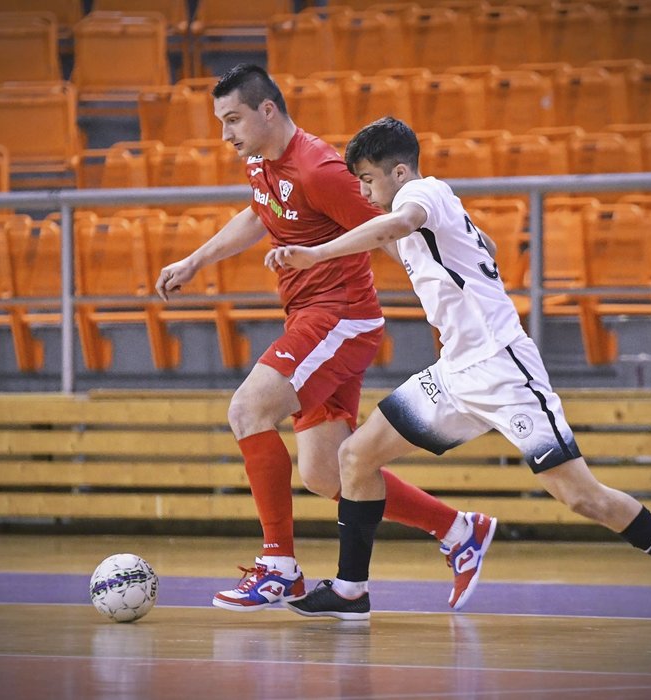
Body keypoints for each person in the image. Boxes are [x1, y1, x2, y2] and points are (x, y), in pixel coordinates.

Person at [267, 117, 651, 623]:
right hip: (454, 373)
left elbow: (399, 224)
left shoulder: (421, 193)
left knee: (582, 497)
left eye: (369, 180)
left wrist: (318, 253)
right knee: (355, 457)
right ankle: (352, 590)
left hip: (505, 371)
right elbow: (478, 246)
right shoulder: (429, 210)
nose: (364, 192)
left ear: (399, 173)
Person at [154, 66, 495, 612]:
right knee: (324, 472)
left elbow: (389, 230)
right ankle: (460, 531)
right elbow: (259, 215)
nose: (226, 134)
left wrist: (450, 309)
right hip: (311, 318)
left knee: (247, 410)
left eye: (233, 119)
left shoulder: (320, 170)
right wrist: (195, 260)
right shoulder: (261, 162)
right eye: (221, 122)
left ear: (269, 110)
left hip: (340, 316)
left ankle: (278, 568)